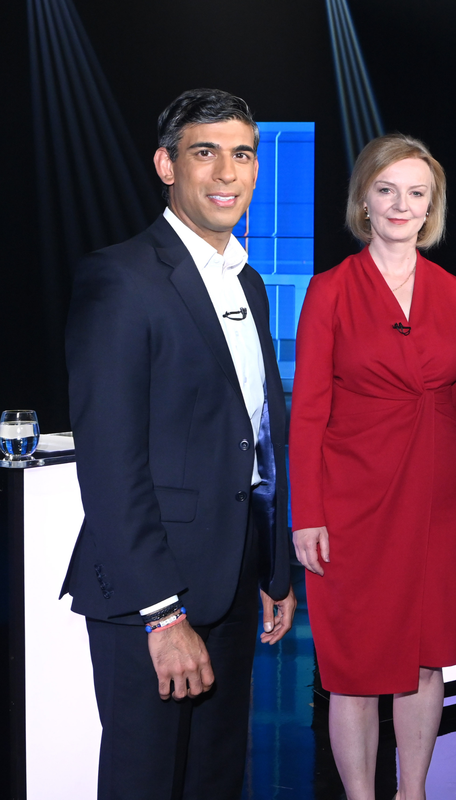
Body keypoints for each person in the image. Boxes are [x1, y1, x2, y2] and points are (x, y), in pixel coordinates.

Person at [62, 88, 296, 799]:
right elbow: (111, 463)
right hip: (152, 595)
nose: (227, 173)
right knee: (146, 783)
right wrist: (162, 616)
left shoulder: (248, 282)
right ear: (166, 165)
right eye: (205, 153)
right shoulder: (120, 277)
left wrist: (274, 568)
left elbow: (258, 434)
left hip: (232, 581)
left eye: (242, 154)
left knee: (214, 782)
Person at [289, 133, 456, 800]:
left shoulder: (455, 293)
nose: (401, 205)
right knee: (353, 670)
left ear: (431, 206)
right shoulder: (329, 290)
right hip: (353, 503)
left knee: (428, 660)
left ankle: (414, 792)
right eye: (387, 190)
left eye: (416, 193)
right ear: (365, 200)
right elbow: (307, 414)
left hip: (439, 500)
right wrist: (306, 514)